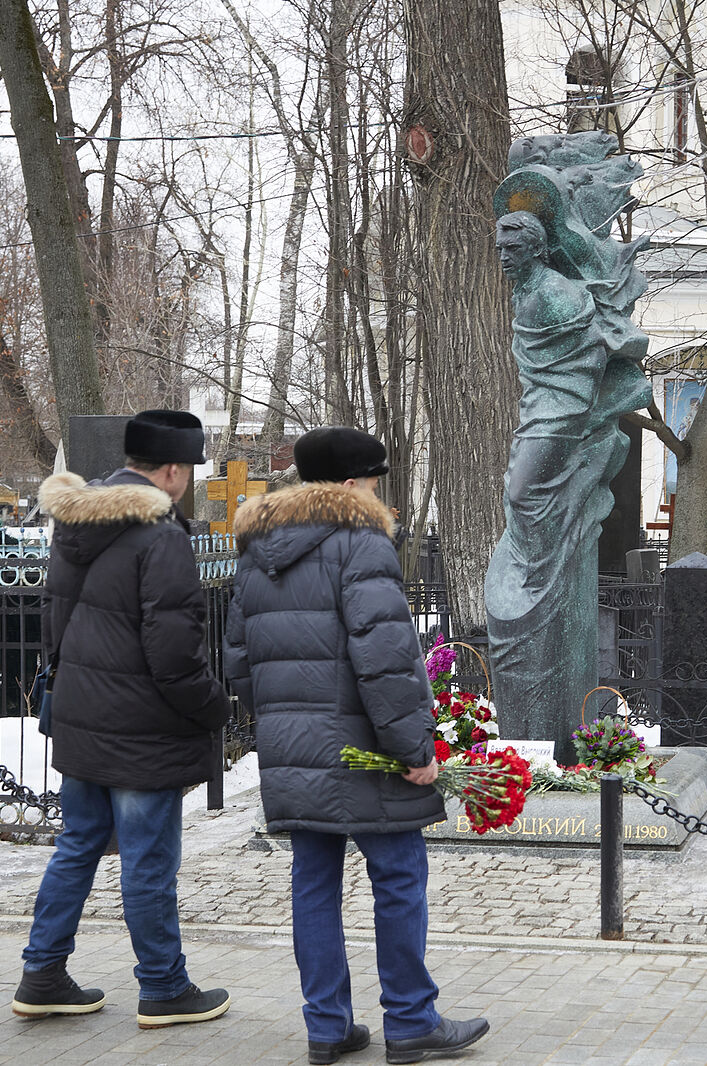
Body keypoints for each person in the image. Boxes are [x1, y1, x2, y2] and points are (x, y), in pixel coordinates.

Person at [224, 426, 489, 1066]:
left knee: (312, 883)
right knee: (398, 878)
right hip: (365, 748)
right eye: (374, 482)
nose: (380, 496)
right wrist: (415, 748)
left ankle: (327, 1027)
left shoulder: (257, 550)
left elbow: (237, 662)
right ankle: (410, 1021)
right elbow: (388, 660)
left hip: (295, 750)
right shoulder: (360, 545)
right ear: (349, 485)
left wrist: (287, 725)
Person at [12, 409, 233, 1030]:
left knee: (78, 845)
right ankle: (163, 987)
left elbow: (54, 623)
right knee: (147, 859)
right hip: (142, 728)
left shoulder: (75, 522)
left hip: (83, 716)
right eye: (188, 469)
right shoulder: (160, 535)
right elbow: (175, 654)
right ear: (171, 469)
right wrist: (214, 708)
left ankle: (43, 973)